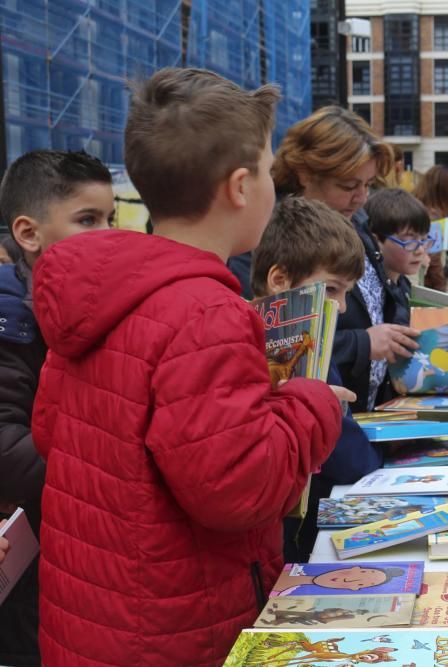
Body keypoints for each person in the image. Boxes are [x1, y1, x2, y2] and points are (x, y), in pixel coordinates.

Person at [30, 68, 345, 666]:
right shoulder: (206, 312)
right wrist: (312, 400)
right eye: (269, 170)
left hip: (95, 619)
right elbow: (239, 489)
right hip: (177, 626)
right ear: (238, 187)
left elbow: (53, 433)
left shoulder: (100, 294)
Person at [0, 149, 116, 666]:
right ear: (29, 234)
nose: (105, 232)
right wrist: (105, 470)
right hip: (29, 557)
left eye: (110, 218)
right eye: (87, 220)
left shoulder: (89, 306)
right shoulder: (10, 318)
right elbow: (7, 447)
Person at [249, 196, 382, 562]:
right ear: (280, 280)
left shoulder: (311, 339)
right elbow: (347, 454)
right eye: (331, 290)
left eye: (346, 294)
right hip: (293, 539)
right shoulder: (281, 349)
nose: (340, 307)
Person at [273, 106, 419, 412]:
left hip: (372, 412)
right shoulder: (276, 236)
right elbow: (278, 347)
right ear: (305, 173)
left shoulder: (355, 220)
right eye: (349, 186)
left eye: (367, 185)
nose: (362, 197)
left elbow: (379, 301)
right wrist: (363, 344)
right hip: (332, 423)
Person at [366, 188, 432, 313]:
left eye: (423, 239)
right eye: (409, 241)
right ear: (375, 241)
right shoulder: (369, 295)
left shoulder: (403, 286)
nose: (420, 250)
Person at [412, 165, 448, 291]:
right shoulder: (433, 214)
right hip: (427, 282)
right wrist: (441, 287)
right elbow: (434, 255)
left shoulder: (415, 204)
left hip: (416, 277)